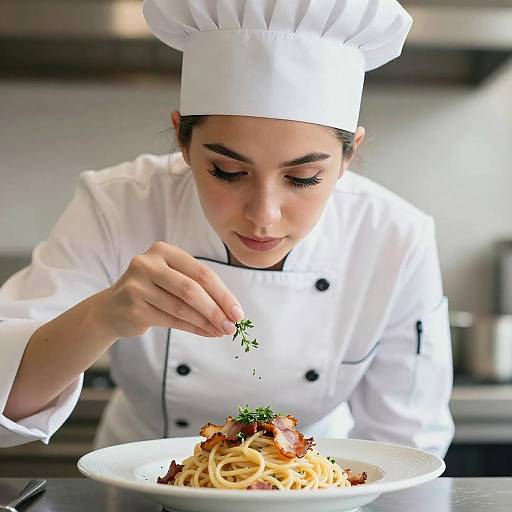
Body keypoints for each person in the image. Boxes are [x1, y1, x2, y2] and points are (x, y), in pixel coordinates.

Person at [0, 0, 454, 455]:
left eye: (302, 179)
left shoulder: (395, 236)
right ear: (183, 140)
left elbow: (410, 445)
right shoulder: (118, 203)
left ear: (348, 156)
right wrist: (102, 316)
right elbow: (6, 406)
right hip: (138, 483)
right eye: (227, 171)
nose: (264, 215)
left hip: (318, 486)